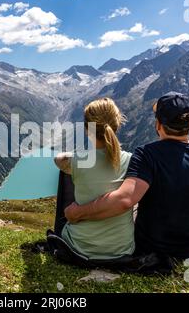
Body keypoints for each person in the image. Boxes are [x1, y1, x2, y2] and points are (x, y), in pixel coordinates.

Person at [64, 93, 189, 261]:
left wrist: (78, 212)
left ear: (158, 124)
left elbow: (124, 200)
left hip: (153, 249)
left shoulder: (147, 154)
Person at [53, 97, 135, 260]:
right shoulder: (131, 161)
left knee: (67, 174)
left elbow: (58, 159)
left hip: (78, 247)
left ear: (86, 129)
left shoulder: (78, 161)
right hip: (121, 249)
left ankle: (64, 223)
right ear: (117, 125)